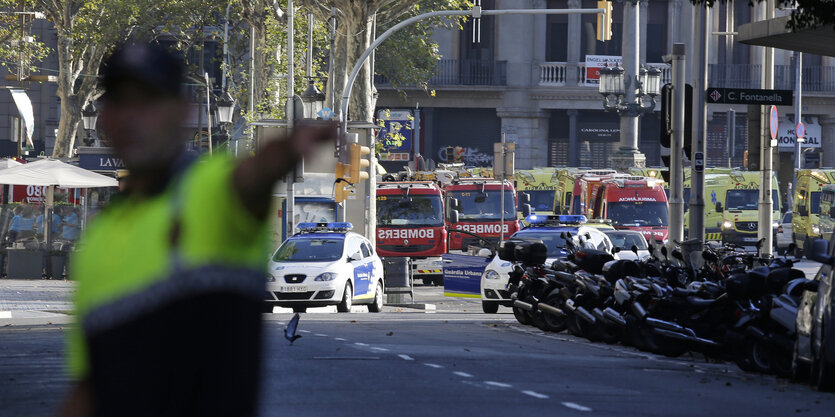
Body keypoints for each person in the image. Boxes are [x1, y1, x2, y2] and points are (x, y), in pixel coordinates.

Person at [59, 42, 336, 417]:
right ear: (104, 118)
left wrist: (287, 150)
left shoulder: (208, 189)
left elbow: (248, 179)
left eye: (149, 102)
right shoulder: (99, 238)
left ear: (182, 112)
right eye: (121, 102)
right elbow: (88, 385)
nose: (133, 117)